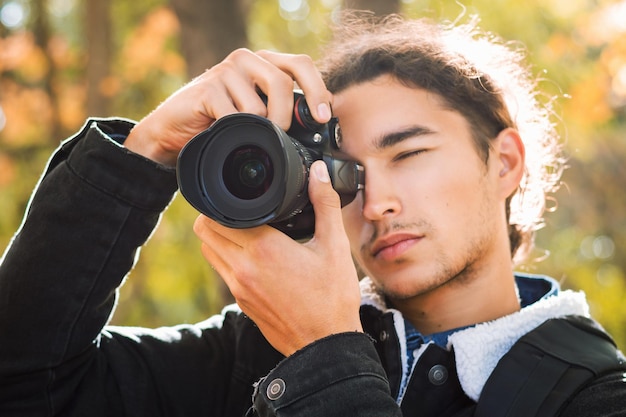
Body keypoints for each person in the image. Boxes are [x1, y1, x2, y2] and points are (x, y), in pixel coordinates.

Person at [0, 11, 625, 417]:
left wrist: (325, 354)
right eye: (344, 175)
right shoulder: (257, 353)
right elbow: (24, 383)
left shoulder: (595, 395)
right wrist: (144, 153)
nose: (375, 203)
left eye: (407, 153)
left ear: (505, 163)